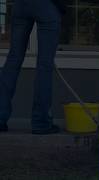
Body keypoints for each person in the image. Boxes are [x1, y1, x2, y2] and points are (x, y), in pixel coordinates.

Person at [0, 0, 66, 134]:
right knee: (44, 65)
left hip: (21, 4)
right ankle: (41, 122)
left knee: (13, 59)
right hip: (47, 5)